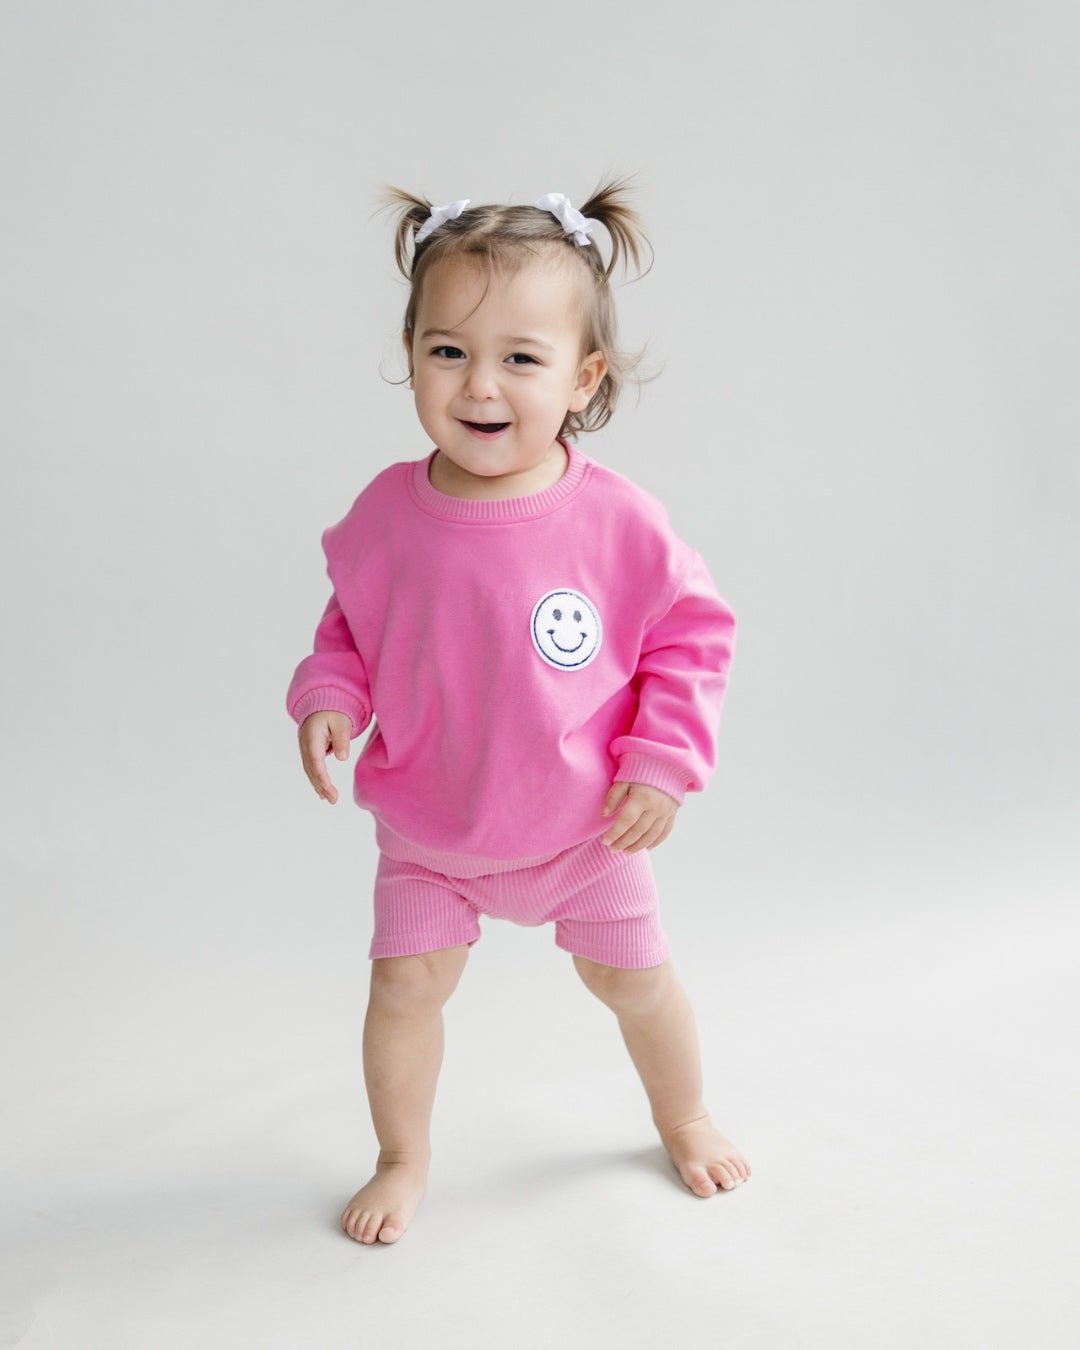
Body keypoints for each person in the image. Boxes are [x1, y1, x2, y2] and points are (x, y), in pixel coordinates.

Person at [285, 178, 751, 1246]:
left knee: (635, 986)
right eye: (448, 351)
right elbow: (348, 629)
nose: (479, 384)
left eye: (521, 359)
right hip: (432, 834)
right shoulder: (387, 515)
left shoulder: (615, 520)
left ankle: (683, 1112)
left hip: (585, 831)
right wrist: (328, 701)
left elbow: (692, 634)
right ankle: (403, 1156)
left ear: (584, 377)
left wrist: (660, 761)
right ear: (411, 353)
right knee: (404, 988)